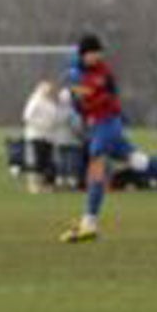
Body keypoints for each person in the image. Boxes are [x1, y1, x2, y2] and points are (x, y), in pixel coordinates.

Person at [58, 33, 135, 244]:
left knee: (97, 161)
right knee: (139, 162)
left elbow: (109, 95)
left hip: (108, 123)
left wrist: (107, 105)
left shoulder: (104, 72)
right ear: (83, 54)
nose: (97, 57)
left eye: (99, 53)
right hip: (96, 124)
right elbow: (81, 101)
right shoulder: (74, 74)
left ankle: (89, 221)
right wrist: (81, 98)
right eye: (93, 53)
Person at [20, 80, 60, 193]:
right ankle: (35, 185)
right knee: (39, 161)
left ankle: (47, 185)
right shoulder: (35, 101)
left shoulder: (51, 103)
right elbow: (27, 117)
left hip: (49, 136)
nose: (50, 92)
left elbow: (54, 117)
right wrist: (40, 125)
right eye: (47, 90)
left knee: (48, 161)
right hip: (37, 135)